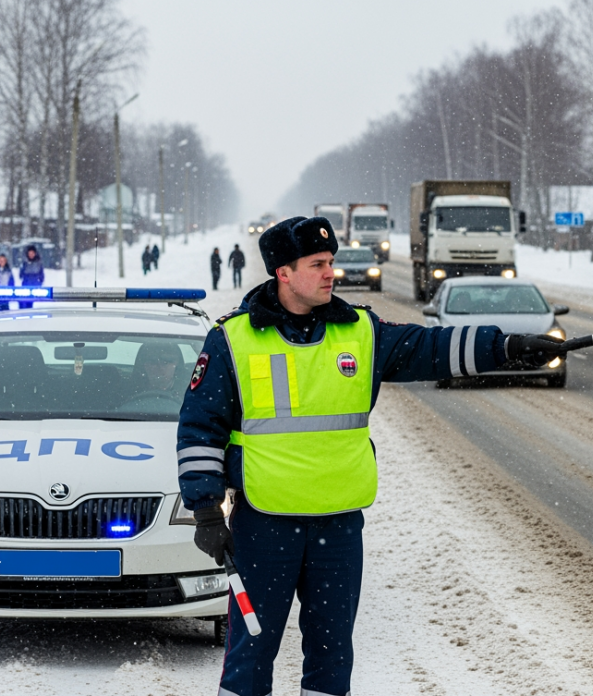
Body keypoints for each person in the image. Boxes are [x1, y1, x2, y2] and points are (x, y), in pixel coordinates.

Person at [176, 216, 566, 696]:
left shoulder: (361, 331)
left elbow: (431, 348)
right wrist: (205, 510)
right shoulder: (232, 339)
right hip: (264, 524)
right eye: (317, 264)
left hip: (338, 526)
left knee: (332, 653)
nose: (330, 273)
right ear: (283, 272)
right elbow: (199, 427)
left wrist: (503, 347)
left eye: (331, 262)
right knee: (251, 653)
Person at [18, 244, 44, 309]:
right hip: (26, 286)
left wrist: (39, 284)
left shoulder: (38, 263)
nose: (31, 255)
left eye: (32, 253)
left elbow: (41, 275)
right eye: (30, 253)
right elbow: (21, 275)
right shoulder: (24, 263)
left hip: (35, 286)